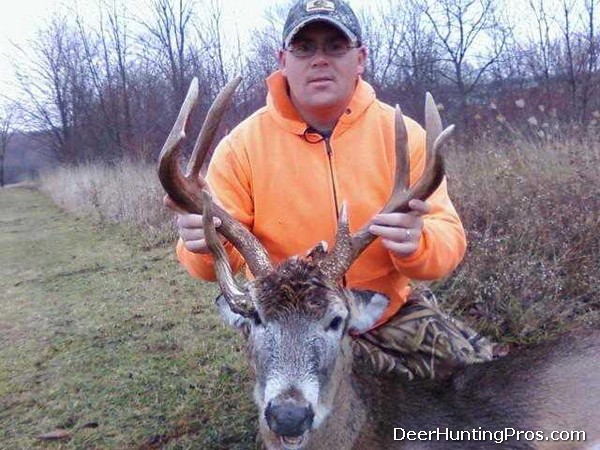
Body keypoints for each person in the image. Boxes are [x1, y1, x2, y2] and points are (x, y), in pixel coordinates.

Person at [164, 0, 493, 380]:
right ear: (283, 60)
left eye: (335, 46)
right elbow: (214, 259)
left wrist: (417, 244)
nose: (319, 59)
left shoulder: (405, 137)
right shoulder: (242, 147)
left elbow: (448, 239)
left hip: (381, 313)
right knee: (300, 420)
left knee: (479, 386)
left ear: (360, 58)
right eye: (304, 47)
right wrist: (203, 245)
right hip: (289, 330)